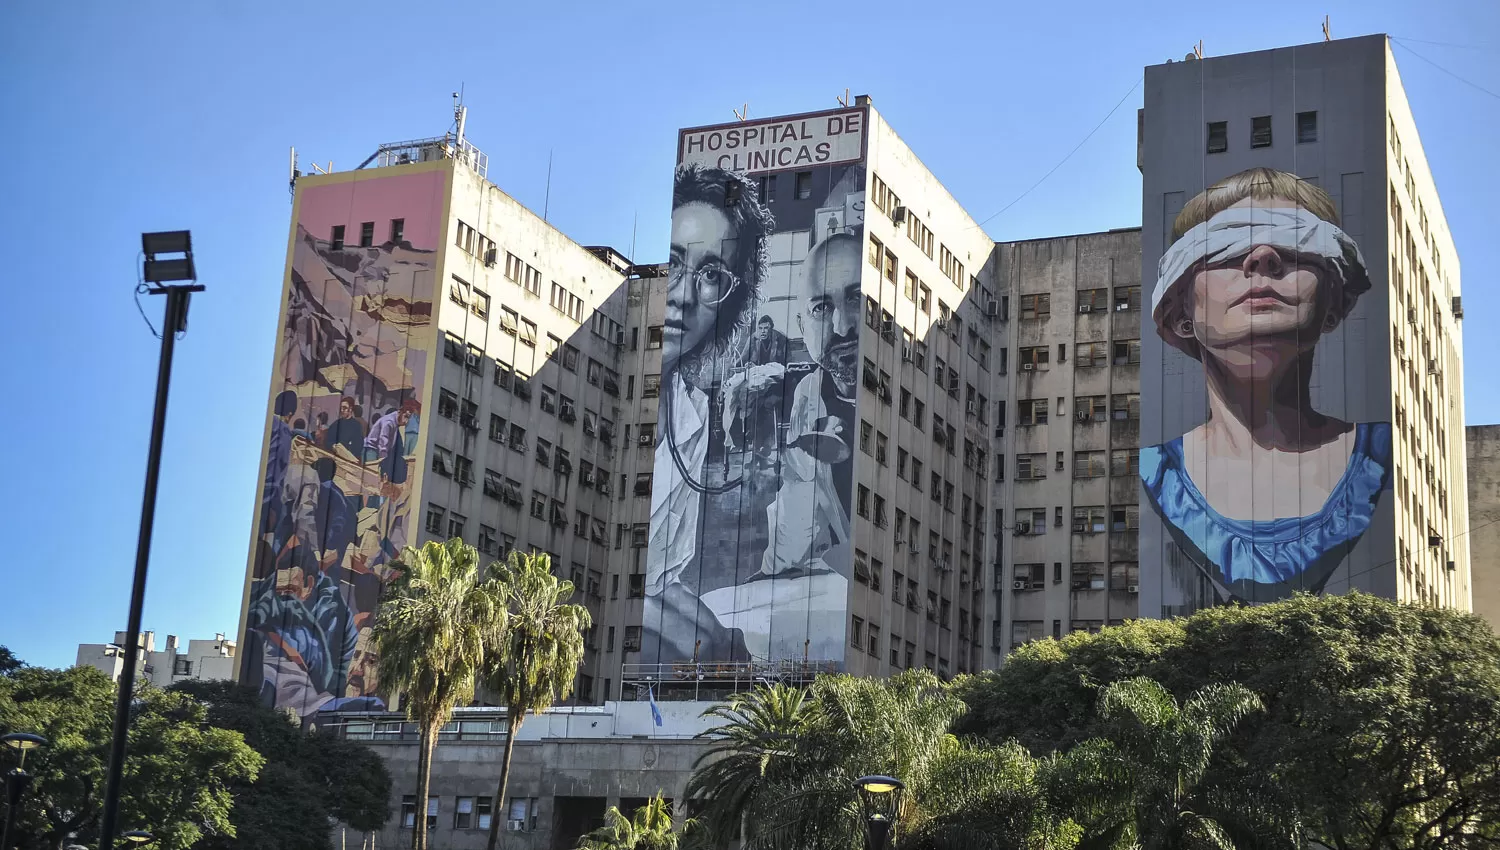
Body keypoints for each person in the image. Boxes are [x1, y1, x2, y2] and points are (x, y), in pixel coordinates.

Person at [1140, 167, 1392, 601]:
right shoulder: (1153, 473)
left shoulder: (1383, 457)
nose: (1262, 257)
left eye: (1296, 244)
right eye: (1225, 246)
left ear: (1333, 302)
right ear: (1180, 310)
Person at [645, 163, 771, 664]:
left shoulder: (691, 418)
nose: (683, 295)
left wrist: (721, 642)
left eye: (711, 275)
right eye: (672, 263)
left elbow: (662, 576)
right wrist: (704, 646)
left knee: (727, 647)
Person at [759, 233, 859, 579]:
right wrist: (773, 574)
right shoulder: (809, 393)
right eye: (821, 308)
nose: (842, 326)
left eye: (856, 298)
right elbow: (800, 503)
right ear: (802, 326)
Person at [722, 315, 789, 454]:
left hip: (777, 381)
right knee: (744, 396)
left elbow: (785, 365)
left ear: (771, 329)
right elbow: (743, 358)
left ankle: (760, 442)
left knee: (764, 402)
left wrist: (769, 369)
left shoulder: (781, 340)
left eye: (766, 328)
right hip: (758, 380)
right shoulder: (753, 339)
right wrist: (740, 366)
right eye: (760, 328)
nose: (763, 331)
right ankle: (753, 441)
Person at [261, 390, 299, 533]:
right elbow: (279, 467)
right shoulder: (283, 430)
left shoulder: (265, 422)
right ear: (290, 414)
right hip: (267, 495)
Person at [363, 398, 420, 487]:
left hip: (378, 450)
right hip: (371, 449)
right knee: (373, 477)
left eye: (408, 418)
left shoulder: (395, 423)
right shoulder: (389, 422)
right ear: (400, 412)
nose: (406, 421)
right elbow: (383, 441)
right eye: (405, 417)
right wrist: (384, 460)